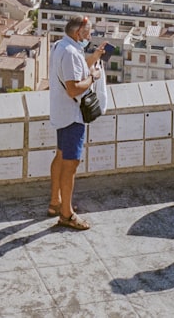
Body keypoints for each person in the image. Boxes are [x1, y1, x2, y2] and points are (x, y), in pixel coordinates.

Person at [49, 15, 108, 230]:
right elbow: (73, 88)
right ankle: (67, 214)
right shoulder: (71, 52)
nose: (89, 36)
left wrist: (95, 57)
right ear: (78, 33)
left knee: (60, 156)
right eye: (88, 33)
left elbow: (76, 68)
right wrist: (93, 77)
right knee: (70, 165)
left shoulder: (60, 46)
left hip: (60, 112)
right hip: (72, 115)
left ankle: (55, 202)